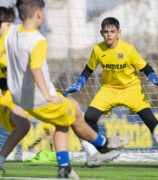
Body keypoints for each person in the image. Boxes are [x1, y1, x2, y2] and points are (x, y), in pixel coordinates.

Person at [5, 1, 131, 179]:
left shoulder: (12, 33)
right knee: (74, 111)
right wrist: (48, 95)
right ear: (39, 13)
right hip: (38, 98)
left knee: (63, 120)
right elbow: (35, 70)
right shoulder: (37, 40)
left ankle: (64, 166)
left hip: (19, 97)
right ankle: (103, 143)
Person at [64, 17, 158, 168]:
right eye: (106, 32)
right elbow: (89, 69)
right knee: (89, 117)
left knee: (151, 121)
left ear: (119, 32)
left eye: (112, 31)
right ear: (101, 33)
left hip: (131, 90)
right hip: (109, 89)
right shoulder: (98, 50)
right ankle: (96, 154)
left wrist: (155, 78)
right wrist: (79, 83)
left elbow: (145, 67)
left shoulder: (128, 49)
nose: (109, 35)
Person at [0, 6, 31, 175]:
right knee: (23, 124)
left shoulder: (15, 43)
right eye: (6, 24)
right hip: (5, 99)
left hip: (21, 96)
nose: (10, 27)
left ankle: (91, 152)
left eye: (12, 23)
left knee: (66, 113)